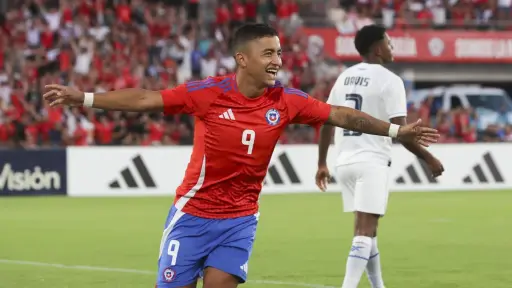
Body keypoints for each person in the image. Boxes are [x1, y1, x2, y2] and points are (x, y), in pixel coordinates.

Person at [43, 23, 439, 288]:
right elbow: (147, 98)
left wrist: (395, 130)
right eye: (268, 53)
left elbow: (339, 114)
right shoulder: (208, 93)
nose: (277, 61)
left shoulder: (285, 101)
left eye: (279, 53)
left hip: (239, 220)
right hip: (192, 216)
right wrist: (86, 98)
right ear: (242, 59)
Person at [315, 25, 445, 288]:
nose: (392, 46)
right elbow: (402, 132)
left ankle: (378, 286)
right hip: (371, 161)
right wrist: (429, 159)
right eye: (388, 41)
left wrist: (321, 162)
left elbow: (327, 120)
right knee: (364, 231)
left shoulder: (344, 77)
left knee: (367, 230)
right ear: (377, 48)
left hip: (344, 162)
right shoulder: (390, 80)